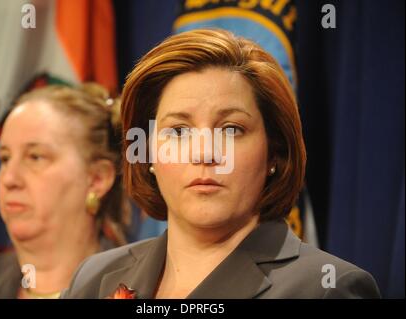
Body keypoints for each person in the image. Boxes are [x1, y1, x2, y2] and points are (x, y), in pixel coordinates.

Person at [62, 29, 381, 299]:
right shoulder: (94, 277)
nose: (204, 154)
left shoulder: (326, 288)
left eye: (231, 130)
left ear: (274, 153)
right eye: (178, 131)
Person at [0, 84, 130, 298]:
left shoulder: (143, 287)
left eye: (35, 157)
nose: (9, 179)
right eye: (5, 158)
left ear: (97, 179)